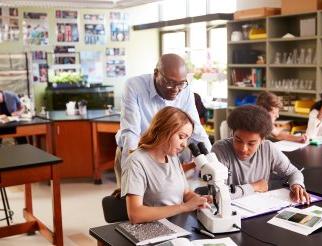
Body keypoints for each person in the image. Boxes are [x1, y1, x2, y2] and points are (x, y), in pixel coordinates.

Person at [114, 53, 211, 188]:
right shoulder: (134, 86)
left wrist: (211, 162)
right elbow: (131, 133)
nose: (176, 90)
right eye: (170, 83)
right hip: (136, 152)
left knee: (165, 200)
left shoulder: (185, 90)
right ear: (156, 73)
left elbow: (197, 130)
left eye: (180, 84)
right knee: (131, 203)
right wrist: (131, 171)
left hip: (166, 155)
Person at [121, 107, 211, 224]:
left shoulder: (172, 156)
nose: (184, 144)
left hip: (177, 225)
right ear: (164, 130)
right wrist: (185, 207)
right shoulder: (136, 162)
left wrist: (200, 200)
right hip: (153, 229)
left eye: (187, 138)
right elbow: (135, 215)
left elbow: (186, 193)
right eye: (181, 137)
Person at [211, 105, 310, 203]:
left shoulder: (268, 148)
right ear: (232, 133)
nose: (243, 149)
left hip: (259, 208)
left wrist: (296, 184)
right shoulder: (220, 150)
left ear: (262, 140)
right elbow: (215, 194)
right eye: (238, 140)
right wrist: (254, 187)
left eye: (251, 143)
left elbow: (293, 172)